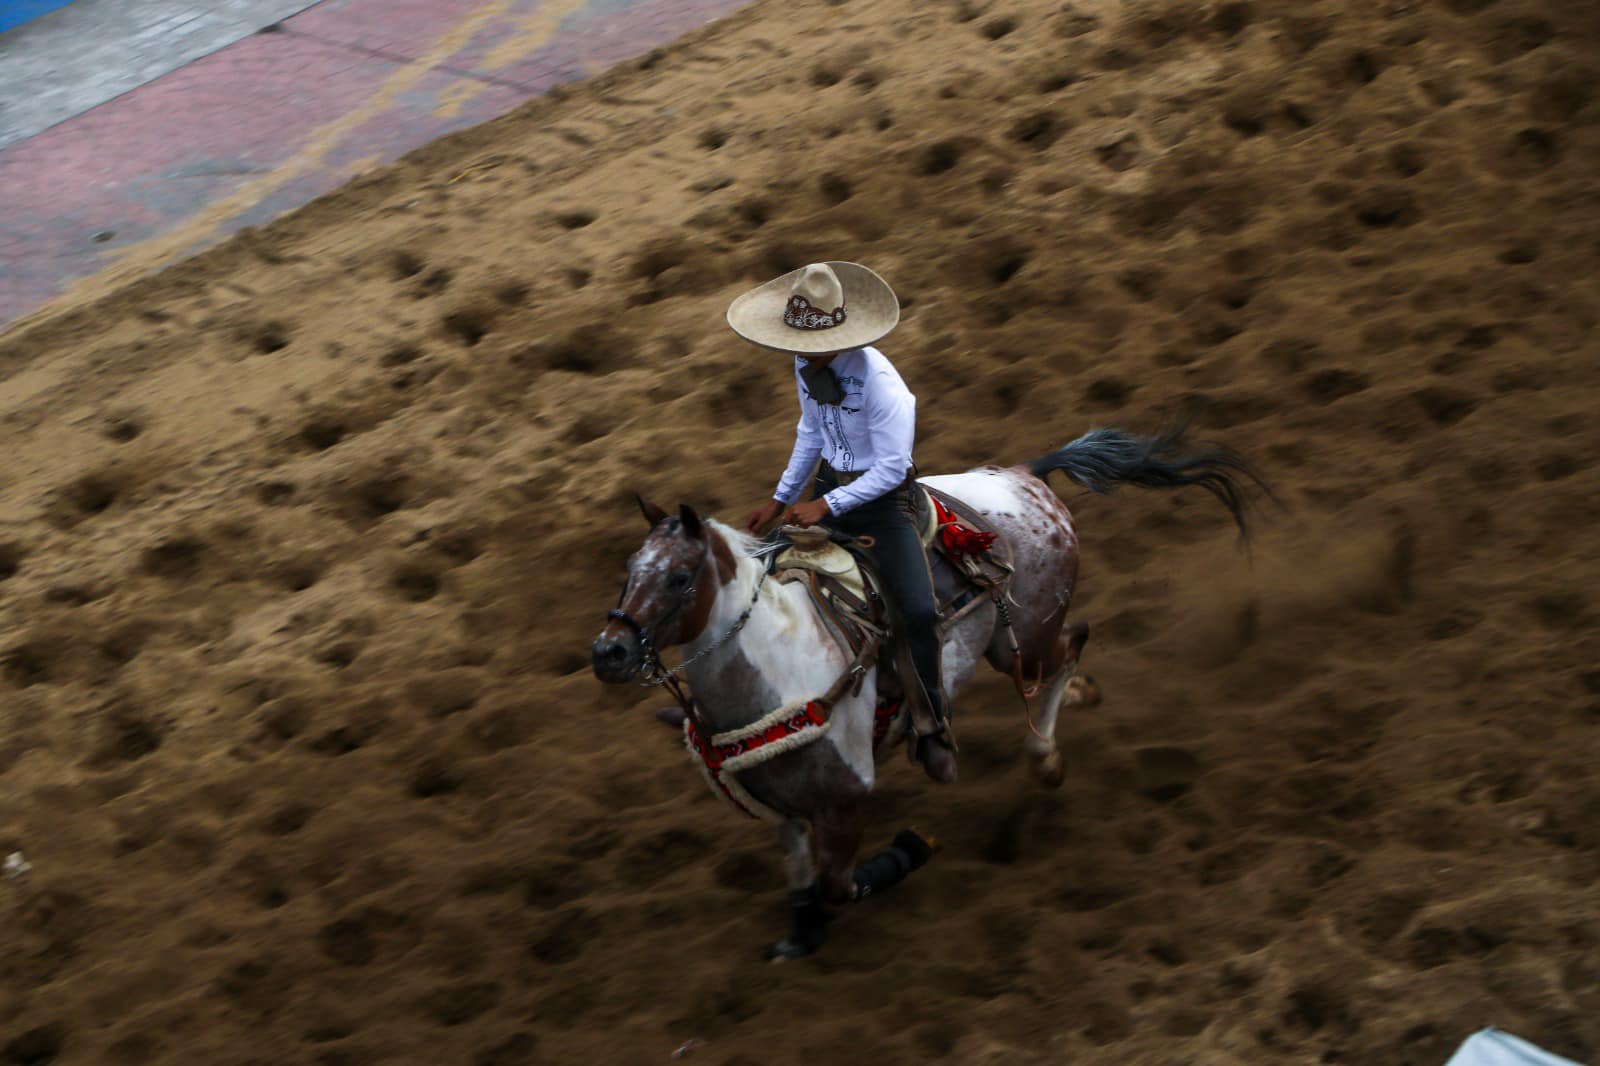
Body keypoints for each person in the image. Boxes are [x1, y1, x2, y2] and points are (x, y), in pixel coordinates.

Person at [729, 262, 957, 784]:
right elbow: (810, 432)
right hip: (829, 488)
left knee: (918, 612)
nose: (798, 353)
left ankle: (932, 723)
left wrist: (827, 508)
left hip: (882, 502)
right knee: (768, 580)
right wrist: (780, 497)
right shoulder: (805, 364)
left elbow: (894, 467)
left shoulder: (880, 384)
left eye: (806, 344)